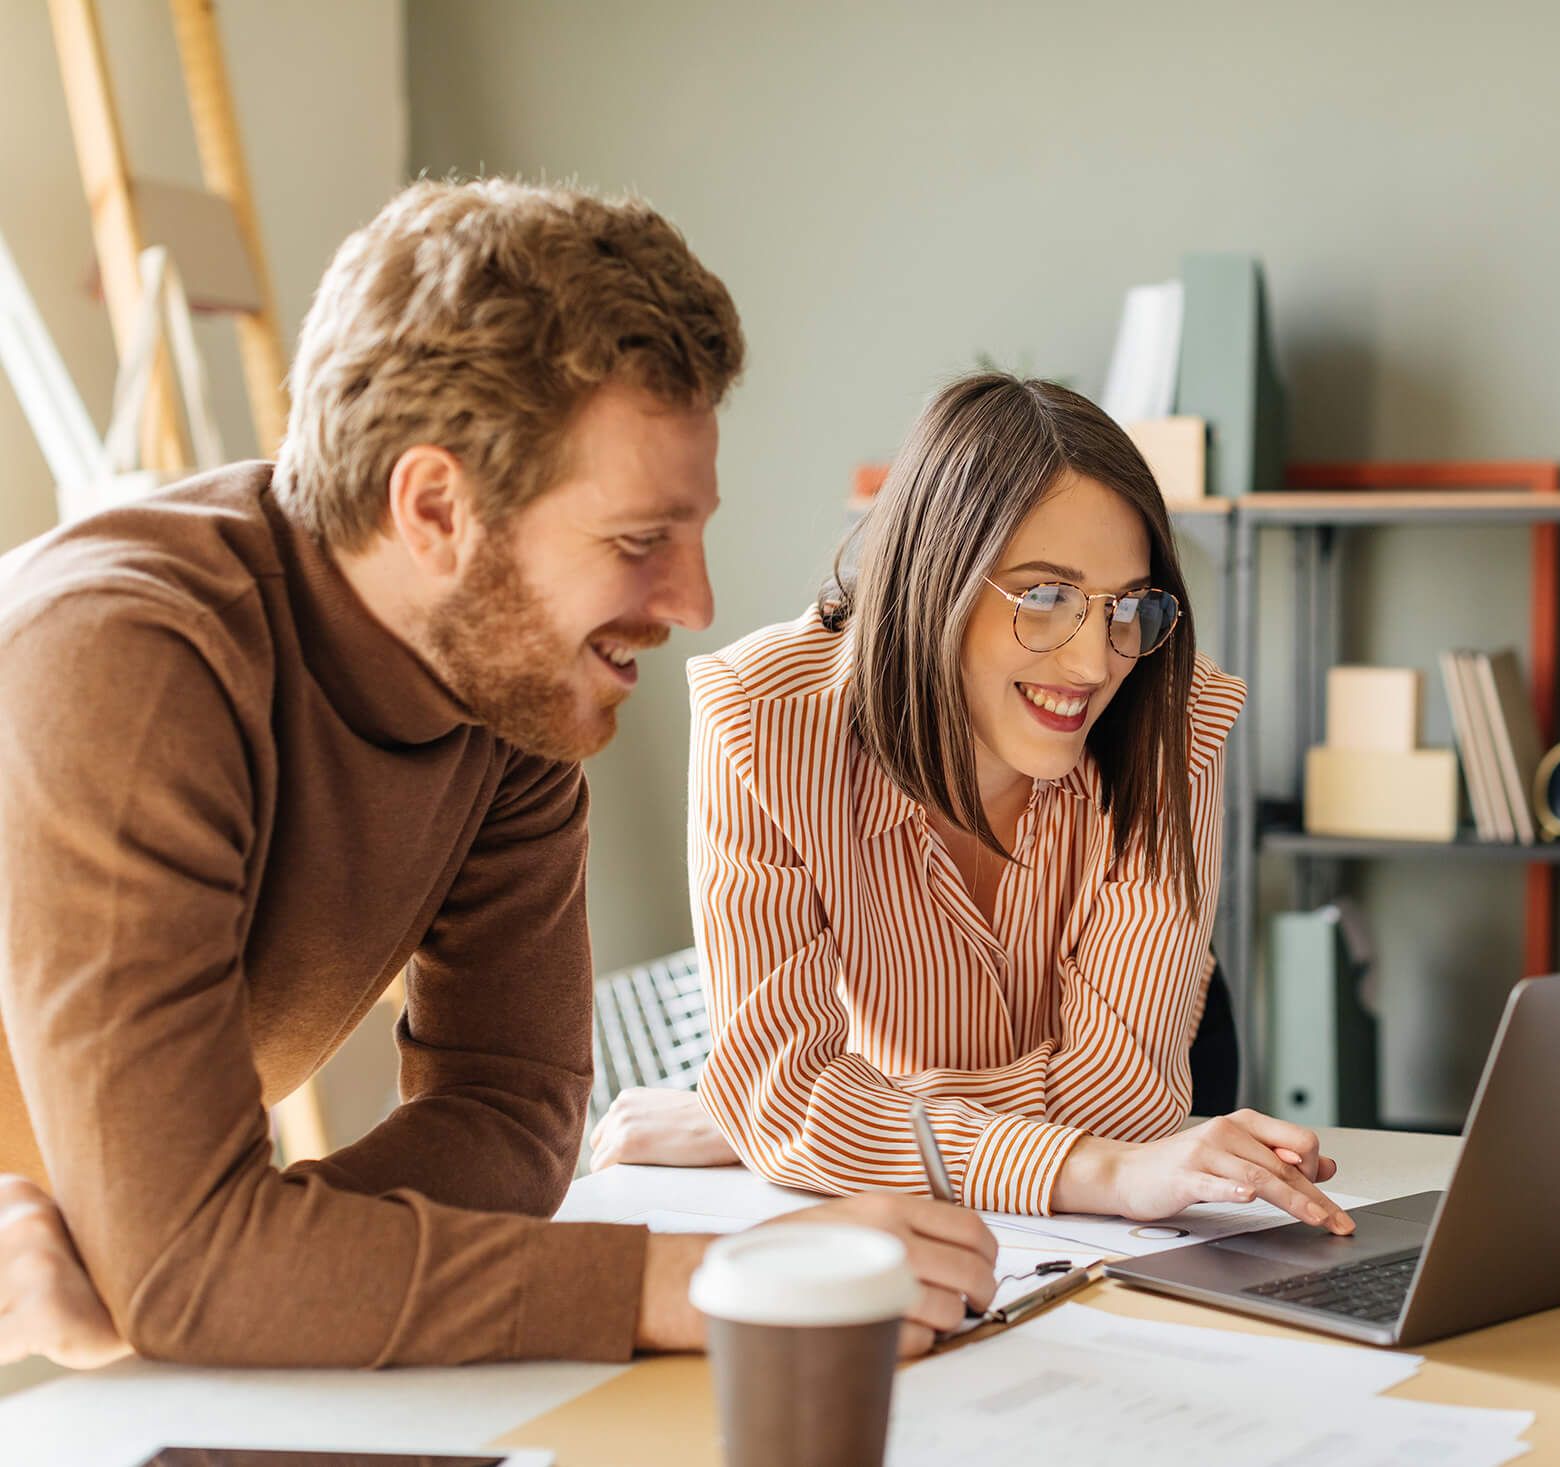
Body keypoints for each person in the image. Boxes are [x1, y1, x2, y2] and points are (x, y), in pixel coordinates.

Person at [0, 179, 994, 1372]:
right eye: (639, 540)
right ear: (434, 510)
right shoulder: (126, 655)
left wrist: (242, 1268)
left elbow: (510, 1115)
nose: (694, 603)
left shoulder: (507, 691)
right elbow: (190, 1271)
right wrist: (702, 1283)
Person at [592, 373, 1355, 1236]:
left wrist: (801, 1126)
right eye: (1045, 597)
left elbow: (1121, 1105)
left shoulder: (1168, 719)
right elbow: (788, 1100)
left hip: (1160, 1072)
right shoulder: (761, 722)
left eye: (1126, 607)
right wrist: (786, 1118)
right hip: (1079, 1173)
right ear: (933, 576)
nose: (1095, 663)